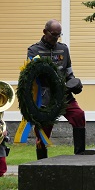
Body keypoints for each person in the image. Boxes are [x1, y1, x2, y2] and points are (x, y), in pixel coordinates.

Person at [27, 19, 86, 159]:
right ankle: (41, 163)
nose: (56, 38)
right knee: (43, 130)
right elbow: (31, 76)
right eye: (54, 34)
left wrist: (74, 83)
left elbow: (69, 72)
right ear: (45, 32)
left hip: (63, 94)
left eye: (59, 35)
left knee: (78, 115)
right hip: (45, 97)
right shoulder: (33, 50)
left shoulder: (64, 49)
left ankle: (80, 155)